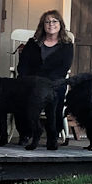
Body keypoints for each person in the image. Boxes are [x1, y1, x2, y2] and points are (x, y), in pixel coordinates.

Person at [16, 9, 74, 143]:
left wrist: (45, 82)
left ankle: (53, 133)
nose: (51, 24)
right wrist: (27, 79)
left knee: (57, 95)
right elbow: (23, 65)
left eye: (54, 21)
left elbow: (64, 67)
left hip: (54, 82)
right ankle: (25, 132)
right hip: (32, 81)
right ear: (43, 25)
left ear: (60, 24)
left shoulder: (66, 45)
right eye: (47, 22)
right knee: (18, 93)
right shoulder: (33, 43)